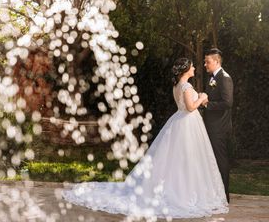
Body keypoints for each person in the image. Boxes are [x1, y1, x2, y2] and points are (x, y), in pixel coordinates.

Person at [62, 58, 229, 219]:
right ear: (185, 70)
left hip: (181, 122)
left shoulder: (178, 85)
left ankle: (182, 189)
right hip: (186, 123)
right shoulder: (185, 86)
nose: (194, 69)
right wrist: (201, 98)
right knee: (185, 159)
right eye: (192, 67)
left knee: (181, 159)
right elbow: (191, 107)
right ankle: (184, 193)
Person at [202, 48, 234, 203]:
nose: (205, 64)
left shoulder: (225, 78)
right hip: (211, 126)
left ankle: (224, 197)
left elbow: (227, 103)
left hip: (219, 128)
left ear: (216, 61)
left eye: (207, 61)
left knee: (220, 160)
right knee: (212, 160)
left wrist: (207, 104)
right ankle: (215, 194)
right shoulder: (212, 78)